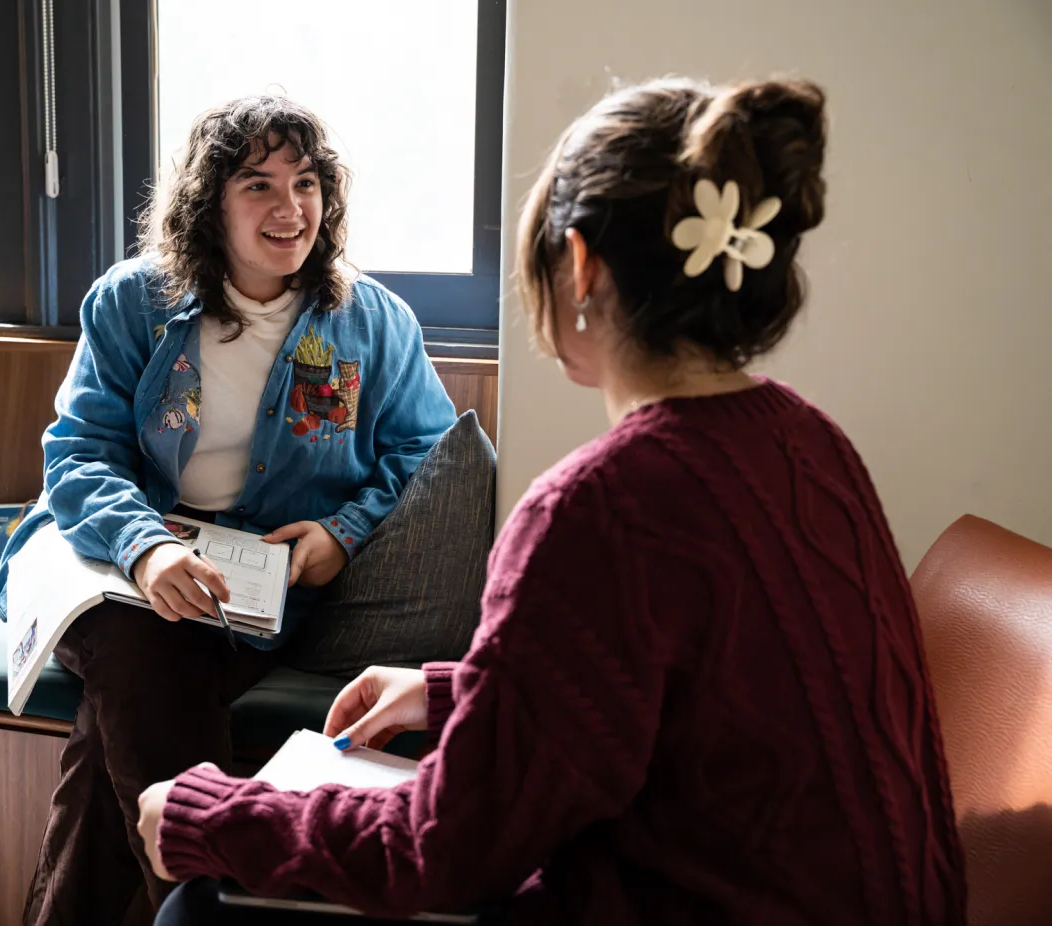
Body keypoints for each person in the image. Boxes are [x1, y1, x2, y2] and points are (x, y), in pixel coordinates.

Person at [137, 77, 968, 925]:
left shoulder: (597, 507)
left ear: (579, 264)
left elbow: (445, 852)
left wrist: (214, 814)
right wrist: (458, 690)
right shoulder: (812, 443)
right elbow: (697, 694)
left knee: (196, 905)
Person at [0, 95, 458, 925]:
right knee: (140, 647)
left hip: (258, 590)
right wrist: (145, 551)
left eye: (307, 183)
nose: (290, 208)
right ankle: (210, 908)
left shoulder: (373, 321)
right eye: (258, 184)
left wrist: (342, 535)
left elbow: (423, 453)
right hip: (107, 568)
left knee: (122, 718)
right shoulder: (131, 303)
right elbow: (80, 453)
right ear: (210, 204)